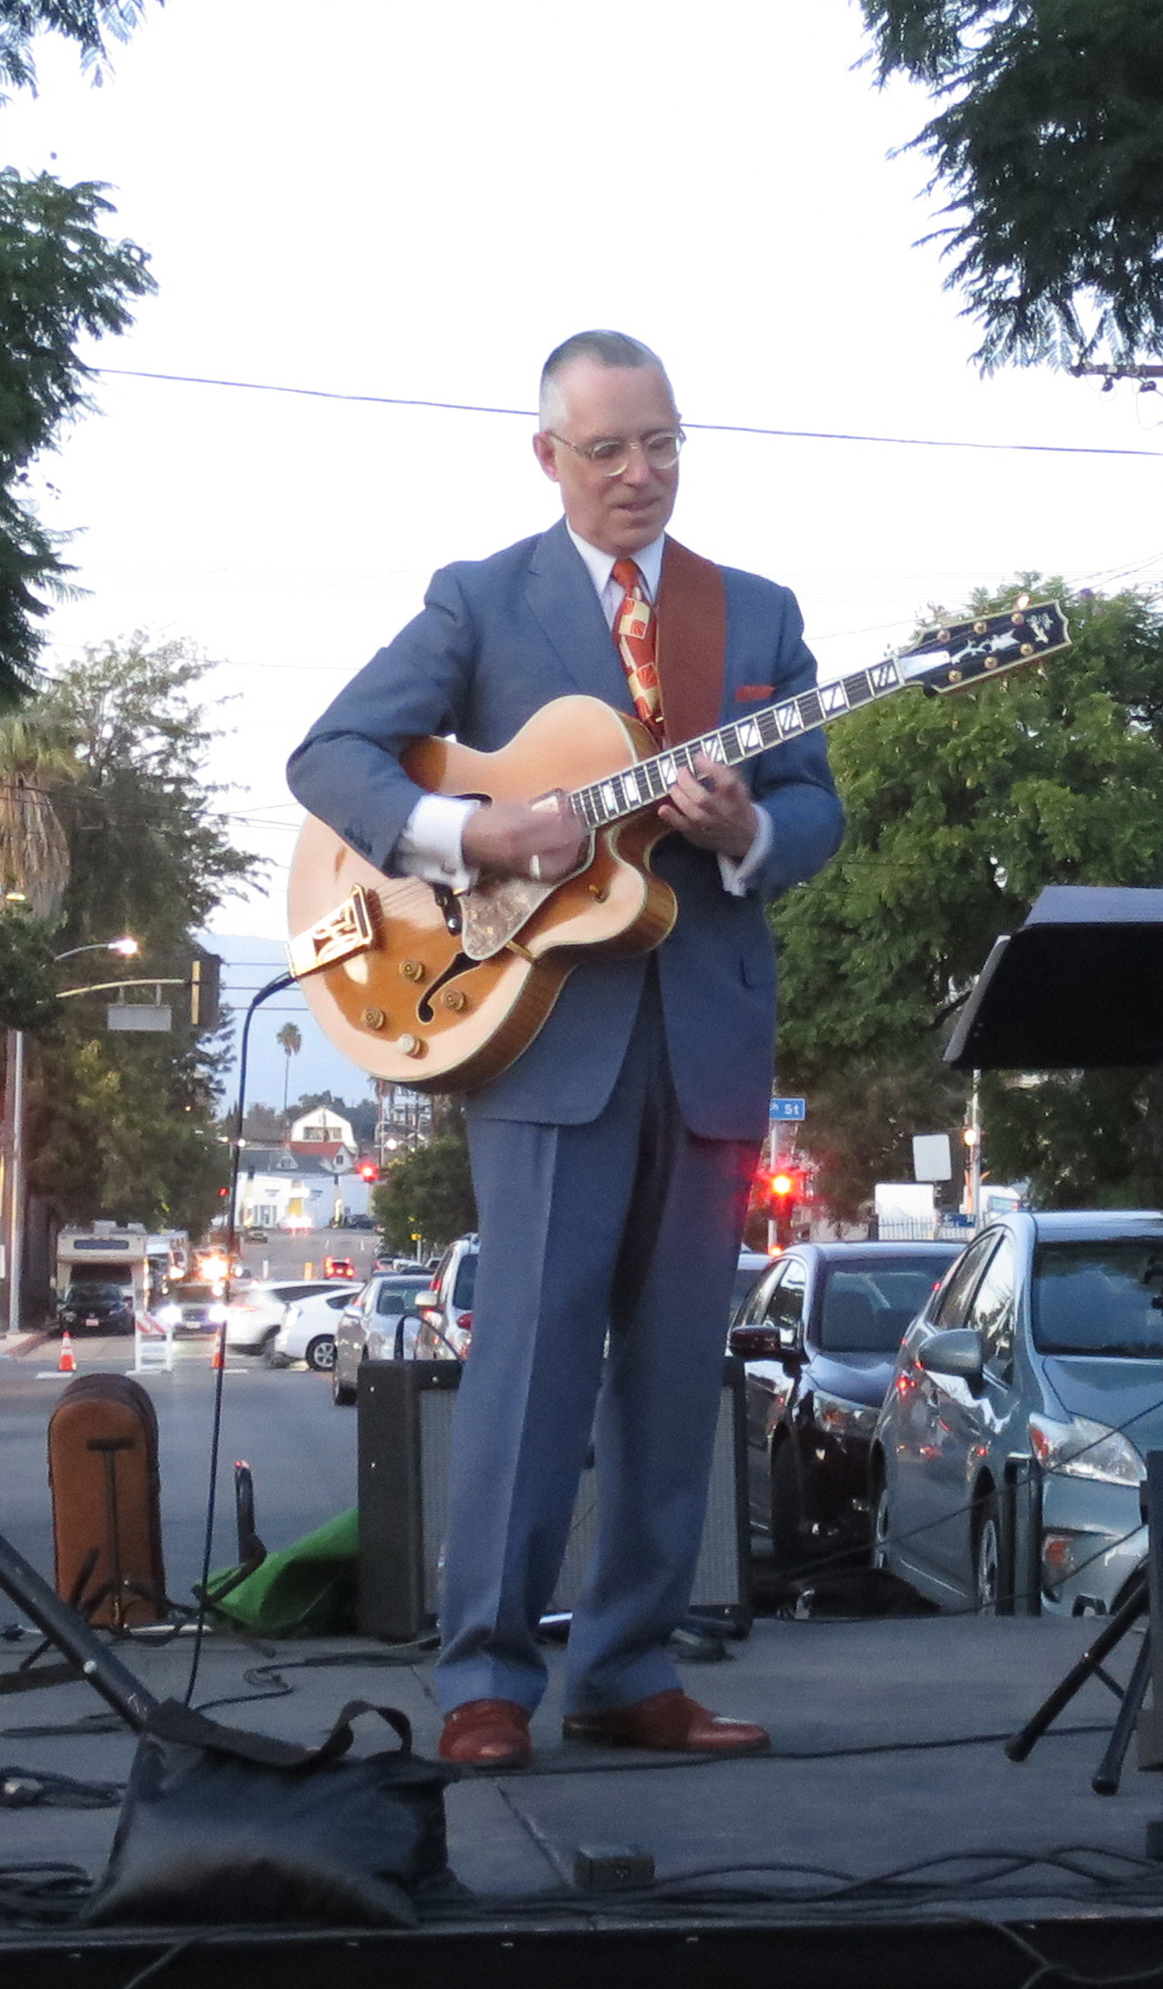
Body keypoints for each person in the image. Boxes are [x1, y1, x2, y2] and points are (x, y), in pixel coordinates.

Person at [287, 331, 842, 1769]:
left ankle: (629, 1665)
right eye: (608, 449)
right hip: (534, 1034)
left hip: (706, 1033)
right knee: (530, 1365)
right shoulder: (482, 599)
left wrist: (750, 829)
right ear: (549, 456)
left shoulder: (756, 612)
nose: (641, 472)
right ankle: (485, 1675)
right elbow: (332, 757)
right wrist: (472, 831)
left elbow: (818, 809)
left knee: (678, 1369)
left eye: (662, 442)